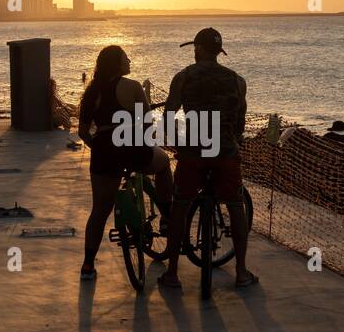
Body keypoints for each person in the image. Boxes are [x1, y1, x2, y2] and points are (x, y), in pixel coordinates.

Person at [159, 27, 258, 291]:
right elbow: (240, 121)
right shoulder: (237, 81)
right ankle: (241, 272)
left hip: (194, 150)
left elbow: (169, 114)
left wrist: (177, 144)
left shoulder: (183, 77)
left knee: (180, 204)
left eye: (194, 48)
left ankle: (171, 274)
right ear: (218, 52)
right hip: (225, 152)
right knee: (236, 205)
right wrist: (233, 141)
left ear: (199, 49)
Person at [77, 44, 173, 281]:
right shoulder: (131, 86)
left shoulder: (91, 92)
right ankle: (168, 217)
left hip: (103, 151)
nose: (129, 61)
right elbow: (147, 123)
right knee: (163, 164)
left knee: (99, 210)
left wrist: (99, 147)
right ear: (116, 63)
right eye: (125, 58)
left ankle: (88, 265)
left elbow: (82, 132)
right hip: (131, 146)